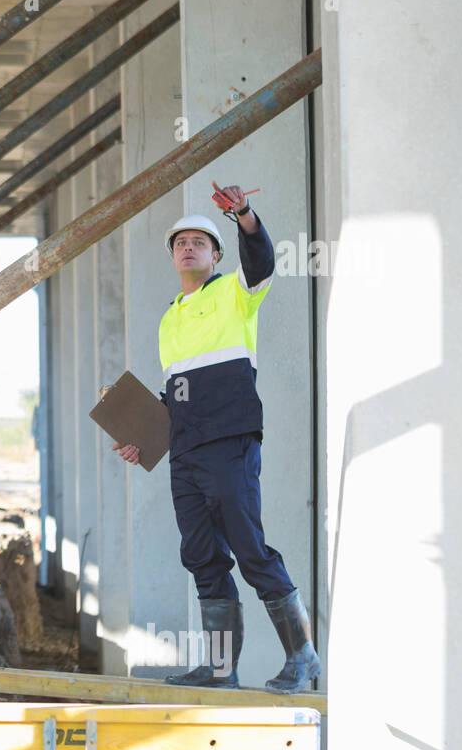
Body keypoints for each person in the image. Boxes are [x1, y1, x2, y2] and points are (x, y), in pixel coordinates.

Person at [110, 182, 320, 694]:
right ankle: (221, 668)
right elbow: (177, 393)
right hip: (184, 453)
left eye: (199, 242)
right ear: (173, 256)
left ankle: (303, 657)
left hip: (230, 443)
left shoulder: (235, 292)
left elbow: (262, 260)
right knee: (202, 557)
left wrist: (245, 214)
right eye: (180, 243)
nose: (188, 247)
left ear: (217, 253)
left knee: (251, 550)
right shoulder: (169, 318)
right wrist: (144, 437)